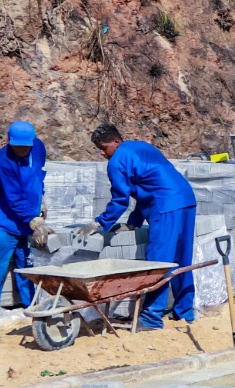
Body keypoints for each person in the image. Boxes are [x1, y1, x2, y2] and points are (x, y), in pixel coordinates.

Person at [81, 124, 198, 328]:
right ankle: (185, 311)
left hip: (166, 205)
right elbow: (147, 187)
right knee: (181, 259)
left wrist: (99, 223)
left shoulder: (116, 161)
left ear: (116, 141)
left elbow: (120, 200)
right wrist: (133, 223)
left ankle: (151, 318)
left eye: (103, 147)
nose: (101, 153)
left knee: (159, 261)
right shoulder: (141, 147)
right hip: (185, 199)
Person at [0, 121, 48, 329]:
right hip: (2, 220)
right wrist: (32, 218)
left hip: (25, 222)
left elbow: (39, 174)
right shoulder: (3, 161)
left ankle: (32, 309)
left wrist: (41, 199)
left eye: (25, 146)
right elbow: (13, 197)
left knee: (26, 267)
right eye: (17, 146)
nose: (22, 150)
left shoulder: (39, 148)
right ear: (9, 142)